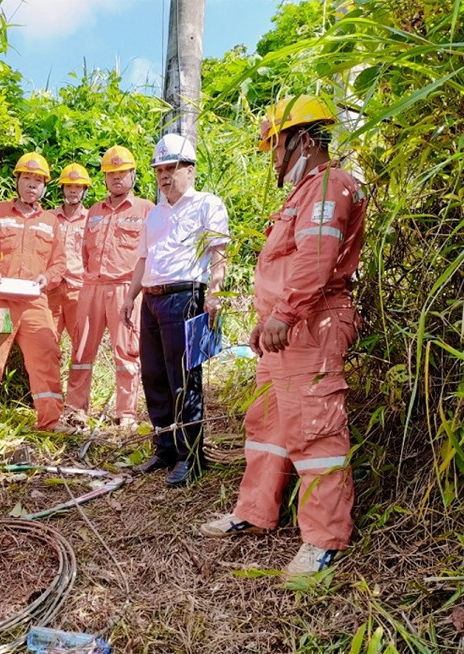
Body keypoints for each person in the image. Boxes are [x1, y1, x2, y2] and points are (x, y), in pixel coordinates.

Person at [199, 95, 367, 576]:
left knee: (316, 429)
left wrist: (286, 314)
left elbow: (315, 259)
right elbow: (286, 264)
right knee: (269, 423)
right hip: (287, 327)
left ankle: (324, 538)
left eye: (276, 145)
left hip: (311, 324)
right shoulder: (303, 192)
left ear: (305, 140)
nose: (273, 157)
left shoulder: (329, 185)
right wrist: (268, 319)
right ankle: (254, 513)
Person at [120, 134, 229, 486]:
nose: (165, 176)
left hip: (185, 297)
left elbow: (219, 253)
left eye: (172, 168)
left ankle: (190, 455)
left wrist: (214, 293)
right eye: (160, 170)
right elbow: (142, 258)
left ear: (190, 170)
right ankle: (165, 447)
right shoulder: (155, 214)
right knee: (153, 375)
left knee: (182, 378)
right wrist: (130, 297)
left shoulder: (207, 204)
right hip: (151, 299)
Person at [0, 152, 66, 433]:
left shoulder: (50, 221)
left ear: (45, 186)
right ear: (17, 181)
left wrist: (46, 277)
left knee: (46, 357)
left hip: (35, 301)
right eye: (27, 178)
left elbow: (59, 263)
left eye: (37, 180)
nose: (32, 185)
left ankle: (50, 423)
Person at [62, 146, 155, 433]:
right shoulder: (94, 211)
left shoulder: (145, 209)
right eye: (110, 174)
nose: (116, 178)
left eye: (122, 173)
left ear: (133, 175)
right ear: (104, 178)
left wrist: (137, 290)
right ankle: (76, 409)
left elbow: (150, 253)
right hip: (91, 286)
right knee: (81, 350)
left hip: (125, 288)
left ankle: (126, 412)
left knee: (127, 352)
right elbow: (85, 252)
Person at [47, 164, 90, 345]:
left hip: (78, 290)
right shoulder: (48, 218)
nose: (73, 191)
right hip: (51, 289)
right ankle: (49, 375)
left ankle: (81, 375)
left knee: (81, 343)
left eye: (78, 187)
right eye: (69, 186)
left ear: (84, 190)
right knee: (47, 342)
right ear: (62, 189)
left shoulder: (91, 219)